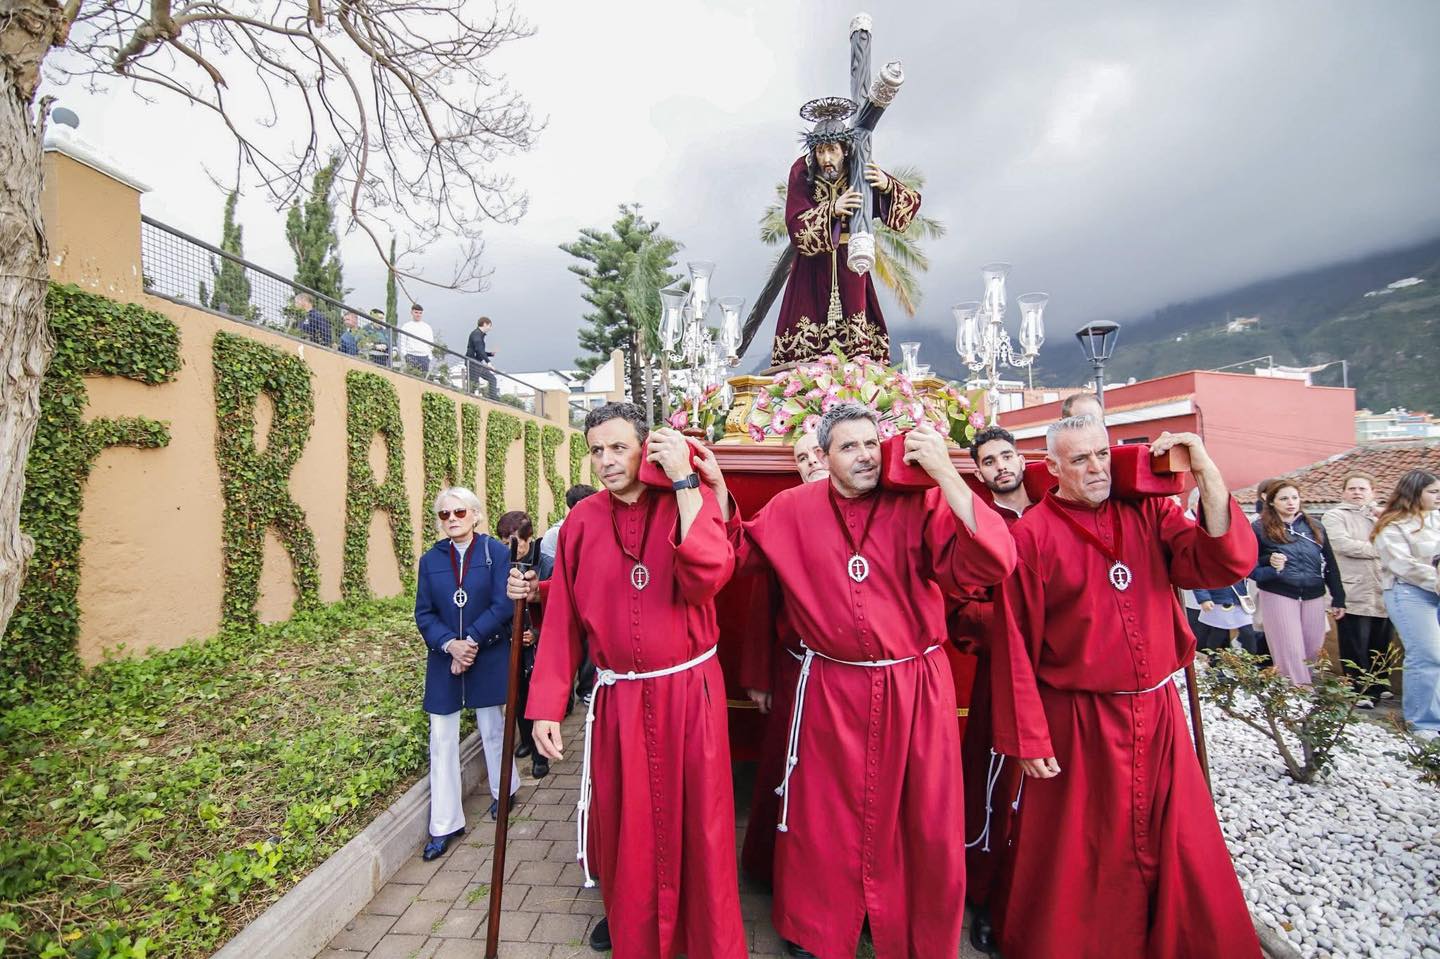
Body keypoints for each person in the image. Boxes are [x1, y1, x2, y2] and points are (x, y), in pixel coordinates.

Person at [717, 402, 1017, 959]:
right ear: (824, 457)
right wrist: (705, 486)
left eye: (871, 444)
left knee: (918, 814)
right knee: (822, 814)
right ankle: (816, 927)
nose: (864, 456)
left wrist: (948, 473)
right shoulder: (791, 508)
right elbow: (729, 554)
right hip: (832, 685)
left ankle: (904, 926)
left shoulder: (921, 502)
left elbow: (992, 561)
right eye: (848, 446)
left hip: (913, 686)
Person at [989, 415, 1261, 959]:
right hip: (1079, 720)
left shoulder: (1152, 512)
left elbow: (1219, 561)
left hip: (1157, 713)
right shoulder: (1031, 535)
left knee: (1178, 841)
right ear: (1054, 468)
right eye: (1081, 459)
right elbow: (1014, 642)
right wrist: (1028, 737)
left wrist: (1205, 472)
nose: (1096, 468)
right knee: (1077, 850)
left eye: (1102, 455)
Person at [511, 403, 745, 957]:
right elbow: (565, 616)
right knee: (625, 819)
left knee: (700, 820)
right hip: (618, 696)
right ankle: (631, 921)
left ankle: (704, 932)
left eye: (619, 447)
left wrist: (688, 480)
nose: (607, 461)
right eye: (597, 450)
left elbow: (710, 574)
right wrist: (544, 706)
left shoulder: (684, 502)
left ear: (645, 448)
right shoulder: (582, 522)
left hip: (688, 690)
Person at [738, 426, 830, 889]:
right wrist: (760, 677)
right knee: (791, 769)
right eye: (802, 456)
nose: (812, 460)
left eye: (818, 451)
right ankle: (776, 865)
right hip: (801, 668)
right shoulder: (784, 514)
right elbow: (762, 604)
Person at [414, 487, 522, 861]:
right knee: (441, 738)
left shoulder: (495, 553)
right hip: (445, 659)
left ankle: (504, 790)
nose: (452, 519)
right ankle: (444, 824)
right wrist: (451, 646)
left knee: (492, 728)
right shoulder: (430, 560)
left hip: (487, 652)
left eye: (459, 512)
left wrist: (471, 641)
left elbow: (504, 603)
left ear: (476, 515)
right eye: (444, 515)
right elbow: (424, 613)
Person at [770, 102, 922, 367]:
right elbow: (795, 224)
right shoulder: (802, 171)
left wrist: (887, 186)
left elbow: (911, 203)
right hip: (811, 267)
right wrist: (832, 209)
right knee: (805, 343)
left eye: (832, 150)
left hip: (851, 261)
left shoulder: (859, 168)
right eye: (820, 151)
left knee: (858, 348)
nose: (826, 159)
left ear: (844, 150)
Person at [1251, 481, 1346, 684]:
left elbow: (1330, 563)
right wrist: (1271, 566)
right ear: (1272, 502)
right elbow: (1250, 566)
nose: (1290, 503)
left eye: (1294, 497)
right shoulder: (1259, 528)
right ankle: (1298, 696)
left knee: (1312, 648)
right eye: (1284, 498)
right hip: (1279, 591)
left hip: (1313, 592)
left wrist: (1339, 597)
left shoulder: (1315, 527)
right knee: (1289, 649)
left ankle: (1298, 688)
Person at [1372, 469, 1440, 740]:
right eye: (1433, 491)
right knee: (1426, 654)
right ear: (1414, 493)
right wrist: (1436, 579)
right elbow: (1402, 565)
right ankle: (1422, 722)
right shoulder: (1393, 525)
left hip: (1434, 590)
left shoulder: (1436, 518)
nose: (1438, 496)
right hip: (1409, 593)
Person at [1323, 472, 1394, 705]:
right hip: (1353, 588)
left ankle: (1378, 683)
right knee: (1355, 641)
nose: (1357, 493)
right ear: (1343, 492)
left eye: (1362, 489)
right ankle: (1358, 688)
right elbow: (1342, 544)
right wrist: (1380, 549)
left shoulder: (1381, 516)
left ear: (1373, 492)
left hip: (1383, 588)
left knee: (1381, 640)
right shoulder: (1335, 515)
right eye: (1352, 488)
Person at [495, 510, 548, 779]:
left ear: (529, 539)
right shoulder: (499, 566)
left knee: (538, 701)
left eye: (514, 541)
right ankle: (526, 740)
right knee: (518, 697)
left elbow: (558, 606)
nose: (510, 548)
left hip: (540, 648)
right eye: (504, 542)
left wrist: (536, 634)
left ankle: (541, 755)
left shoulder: (545, 563)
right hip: (511, 645)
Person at [1191, 579, 1259, 653]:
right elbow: (1199, 577)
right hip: (1217, 600)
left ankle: (1250, 661)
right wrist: (1204, 599)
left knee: (1248, 634)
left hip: (1240, 599)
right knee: (1218, 635)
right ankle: (1213, 661)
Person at [466, 316, 500, 399]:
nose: (490, 328)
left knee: (492, 379)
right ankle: (470, 398)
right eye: (489, 326)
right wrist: (488, 362)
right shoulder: (476, 334)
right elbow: (479, 349)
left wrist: (490, 354)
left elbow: (479, 351)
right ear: (484, 324)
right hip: (472, 362)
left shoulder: (479, 335)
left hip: (477, 362)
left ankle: (493, 399)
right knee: (474, 384)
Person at [400, 303, 435, 376]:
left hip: (424, 357)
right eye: (416, 312)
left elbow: (431, 343)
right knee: (411, 378)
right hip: (411, 356)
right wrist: (405, 355)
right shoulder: (406, 326)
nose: (418, 315)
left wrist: (429, 357)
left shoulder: (427, 327)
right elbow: (402, 342)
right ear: (412, 312)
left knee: (423, 379)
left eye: (420, 313)